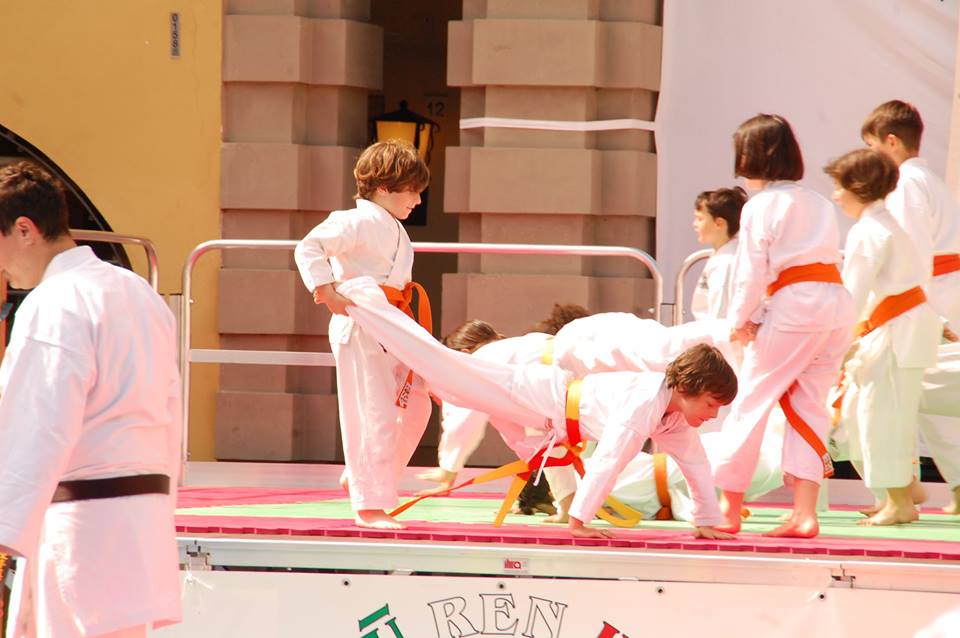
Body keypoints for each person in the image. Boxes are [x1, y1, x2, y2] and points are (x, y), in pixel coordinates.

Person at [328, 277, 737, 540]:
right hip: (537, 393)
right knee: (439, 369)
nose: (713, 416)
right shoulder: (645, 402)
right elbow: (608, 462)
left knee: (436, 376)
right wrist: (579, 520)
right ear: (688, 386)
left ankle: (375, 321)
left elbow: (696, 464)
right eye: (711, 404)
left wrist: (706, 520)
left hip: (547, 408)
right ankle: (365, 303)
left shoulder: (672, 415)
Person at [0, 161, 181, 637]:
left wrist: (4, 528)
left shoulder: (55, 301)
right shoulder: (138, 293)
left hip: (81, 526)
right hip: (140, 520)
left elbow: (38, 423)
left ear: (24, 230)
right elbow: (170, 412)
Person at [712, 114, 855, 538]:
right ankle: (804, 513)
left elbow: (751, 271)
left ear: (751, 154)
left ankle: (729, 509)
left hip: (796, 306)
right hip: (834, 304)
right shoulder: (818, 202)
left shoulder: (761, 206)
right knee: (810, 406)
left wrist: (740, 320)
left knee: (752, 402)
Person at [295, 139, 431, 530]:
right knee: (374, 415)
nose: (417, 201)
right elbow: (309, 247)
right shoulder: (354, 220)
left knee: (416, 406)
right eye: (412, 191)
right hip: (361, 324)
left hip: (392, 324)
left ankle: (364, 477)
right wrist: (326, 291)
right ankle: (370, 506)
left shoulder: (393, 228)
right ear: (384, 187)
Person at [826, 149, 941, 526]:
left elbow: (852, 296)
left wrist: (832, 343)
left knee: (879, 417)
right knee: (869, 415)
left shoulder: (870, 231)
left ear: (858, 187)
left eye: (839, 186)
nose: (835, 195)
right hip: (898, 328)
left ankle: (899, 500)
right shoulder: (887, 224)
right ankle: (901, 491)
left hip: (894, 333)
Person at [861, 100, 960, 330]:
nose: (870, 154)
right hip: (946, 289)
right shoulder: (931, 180)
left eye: (871, 146)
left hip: (929, 297)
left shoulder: (906, 182)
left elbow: (909, 252)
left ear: (891, 141)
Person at [690, 187, 747, 321]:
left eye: (700, 219)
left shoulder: (725, 262)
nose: (695, 224)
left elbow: (720, 314)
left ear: (719, 223)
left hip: (715, 330)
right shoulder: (724, 256)